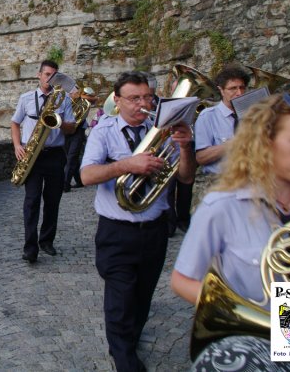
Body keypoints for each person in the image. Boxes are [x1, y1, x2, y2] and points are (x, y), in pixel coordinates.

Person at [171, 93, 290, 370]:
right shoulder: (221, 206)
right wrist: (247, 313)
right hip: (260, 344)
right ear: (265, 144)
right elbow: (181, 280)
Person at [80, 71, 196, 372]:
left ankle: (128, 340)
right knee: (120, 298)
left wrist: (184, 146)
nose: (143, 104)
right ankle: (125, 358)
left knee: (142, 296)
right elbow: (86, 175)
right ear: (116, 101)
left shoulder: (163, 130)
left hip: (154, 229)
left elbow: (185, 177)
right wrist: (128, 164)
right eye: (135, 98)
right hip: (117, 231)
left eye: (148, 98)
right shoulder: (104, 131)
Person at [11, 60, 76, 263]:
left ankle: (46, 241)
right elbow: (15, 123)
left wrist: (60, 122)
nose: (50, 78)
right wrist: (17, 146)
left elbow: (72, 128)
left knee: (52, 201)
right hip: (33, 155)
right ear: (39, 75)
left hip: (55, 154)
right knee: (31, 201)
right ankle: (30, 248)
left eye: (54, 75)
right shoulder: (26, 98)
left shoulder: (63, 99)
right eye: (46, 74)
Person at [194, 65, 250, 176]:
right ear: (221, 90)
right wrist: (233, 144)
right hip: (218, 181)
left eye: (242, 88)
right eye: (233, 88)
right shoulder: (207, 116)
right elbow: (201, 157)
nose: (239, 93)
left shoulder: (253, 114)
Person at [63, 86, 96, 192]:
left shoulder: (84, 100)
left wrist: (79, 95)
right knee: (72, 158)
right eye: (73, 92)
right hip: (67, 131)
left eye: (76, 91)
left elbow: (94, 99)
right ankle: (79, 181)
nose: (75, 93)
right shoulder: (66, 100)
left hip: (78, 131)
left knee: (71, 157)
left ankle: (65, 184)